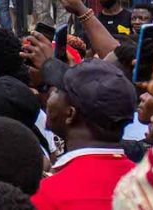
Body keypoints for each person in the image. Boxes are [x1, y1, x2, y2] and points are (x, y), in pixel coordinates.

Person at [32, 61, 137, 210]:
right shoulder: (149, 184)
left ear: (70, 114)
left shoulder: (48, 195)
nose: (50, 95)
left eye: (57, 91)